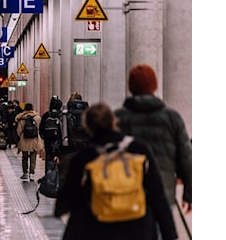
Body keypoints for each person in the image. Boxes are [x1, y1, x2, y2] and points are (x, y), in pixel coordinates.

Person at [55, 102, 177, 240]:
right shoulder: (139, 149)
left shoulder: (84, 157)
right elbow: (158, 195)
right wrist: (170, 234)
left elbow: (66, 199)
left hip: (97, 229)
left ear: (87, 126)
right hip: (138, 229)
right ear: (114, 121)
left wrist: (61, 209)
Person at [114, 64, 192, 215]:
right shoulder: (171, 118)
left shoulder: (118, 118)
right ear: (154, 86)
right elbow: (186, 158)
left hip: (126, 193)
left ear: (131, 87)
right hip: (162, 193)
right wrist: (189, 194)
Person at [55, 92, 89, 187]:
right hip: (84, 152)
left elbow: (59, 134)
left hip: (67, 152)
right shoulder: (88, 114)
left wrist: (56, 153)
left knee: (65, 180)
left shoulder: (64, 114)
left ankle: (67, 200)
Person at [16, 103, 44, 181]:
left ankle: (25, 172)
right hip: (35, 140)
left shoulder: (21, 119)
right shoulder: (37, 118)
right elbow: (40, 128)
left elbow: (19, 131)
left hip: (24, 140)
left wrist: (20, 136)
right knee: (33, 157)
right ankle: (31, 173)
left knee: (24, 157)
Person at [39, 95, 63, 173]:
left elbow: (41, 129)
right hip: (59, 142)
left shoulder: (46, 115)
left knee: (49, 158)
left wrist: (44, 137)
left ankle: (49, 177)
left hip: (48, 141)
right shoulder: (61, 115)